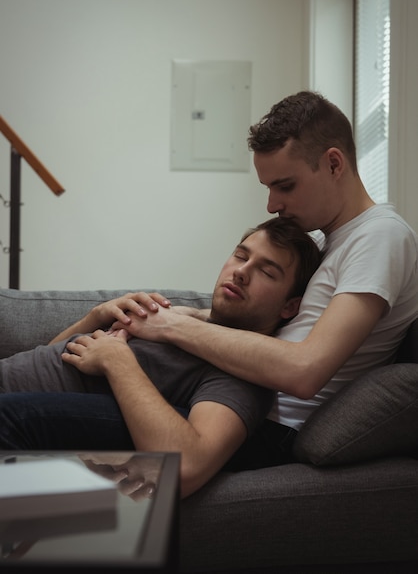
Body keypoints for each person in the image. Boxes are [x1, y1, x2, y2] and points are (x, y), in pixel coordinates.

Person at [103, 90, 418, 467]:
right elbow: (284, 326)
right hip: (226, 397)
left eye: (285, 186)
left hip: (266, 426)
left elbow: (305, 370)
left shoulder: (382, 236)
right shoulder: (324, 239)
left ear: (334, 164)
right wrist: (187, 314)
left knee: (24, 418)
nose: (272, 205)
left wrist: (171, 326)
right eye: (268, 188)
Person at [0, 217, 321, 498]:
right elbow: (49, 358)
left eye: (266, 272)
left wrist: (117, 360)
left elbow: (189, 462)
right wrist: (93, 319)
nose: (241, 272)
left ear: (289, 307)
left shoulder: (246, 372)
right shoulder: (175, 318)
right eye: (240, 256)